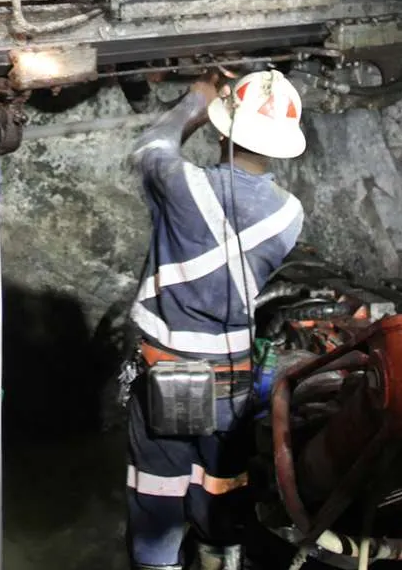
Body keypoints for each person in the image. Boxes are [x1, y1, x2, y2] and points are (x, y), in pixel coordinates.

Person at [124, 70, 309, 570]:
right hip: (231, 380)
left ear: (223, 131)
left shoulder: (179, 182)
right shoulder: (290, 215)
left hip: (167, 371)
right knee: (220, 487)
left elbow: (149, 148)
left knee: (158, 493)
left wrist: (196, 101)